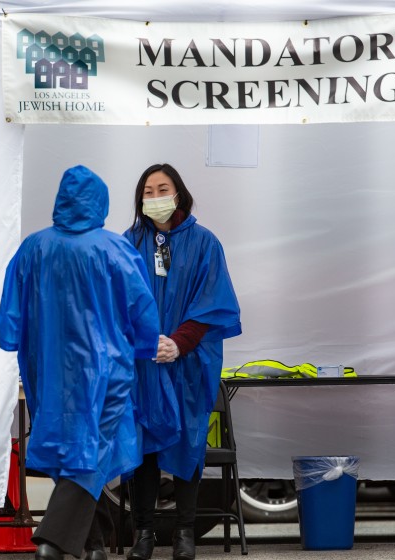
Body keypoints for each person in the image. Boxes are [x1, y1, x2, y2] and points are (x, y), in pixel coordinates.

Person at [0, 165, 160, 560]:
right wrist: (143, 347)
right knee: (92, 453)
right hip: (106, 373)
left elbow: (9, 318)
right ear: (99, 202)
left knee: (71, 452)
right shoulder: (113, 249)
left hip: (48, 372)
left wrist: (17, 343)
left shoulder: (33, 248)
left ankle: (95, 544)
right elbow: (143, 313)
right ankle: (52, 541)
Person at [124, 164, 241, 560]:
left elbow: (212, 302)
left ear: (179, 193)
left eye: (163, 188)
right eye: (148, 190)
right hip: (144, 364)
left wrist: (178, 343)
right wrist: (145, 342)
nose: (155, 197)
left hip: (188, 362)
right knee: (144, 447)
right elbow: (118, 300)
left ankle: (185, 534)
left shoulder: (205, 243)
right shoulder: (129, 243)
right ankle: (142, 533)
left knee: (189, 441)